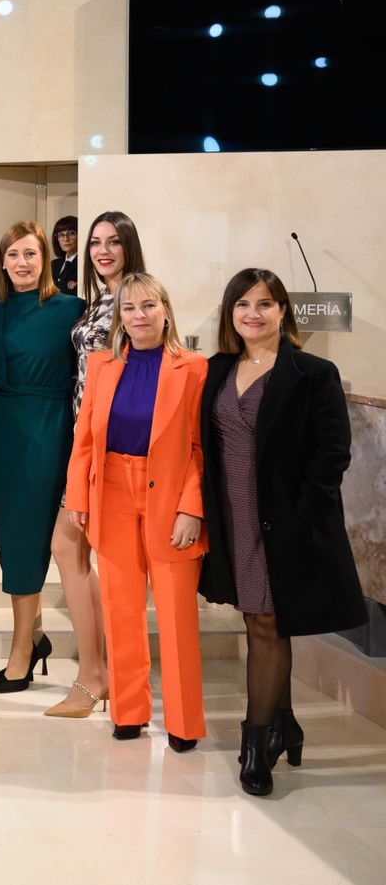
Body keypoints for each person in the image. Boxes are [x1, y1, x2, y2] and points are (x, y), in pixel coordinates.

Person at [199, 269, 367, 795]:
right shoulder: (216, 369)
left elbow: (332, 454)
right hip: (232, 516)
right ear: (230, 313)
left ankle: (256, 744)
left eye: (265, 304)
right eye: (242, 304)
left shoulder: (312, 373)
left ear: (282, 312)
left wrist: (302, 515)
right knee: (260, 620)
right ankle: (284, 723)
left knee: (267, 624)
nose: (253, 314)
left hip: (283, 523)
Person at [65, 273, 208, 753]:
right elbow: (85, 439)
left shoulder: (194, 368)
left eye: (148, 306)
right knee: (120, 609)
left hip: (170, 499)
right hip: (111, 494)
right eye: (129, 308)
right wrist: (78, 497)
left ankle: (184, 723)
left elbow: (200, 448)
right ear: (119, 318)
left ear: (165, 310)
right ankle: (128, 712)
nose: (139, 316)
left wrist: (192, 508)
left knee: (176, 614)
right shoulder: (102, 365)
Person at [0, 220, 83, 694]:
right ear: (2, 261)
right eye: (13, 254)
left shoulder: (72, 308)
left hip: (48, 433)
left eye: (30, 254)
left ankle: (21, 651)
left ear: (45, 260)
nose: (22, 262)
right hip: (0, 437)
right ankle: (33, 637)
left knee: (30, 542)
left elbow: (84, 382)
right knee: (11, 540)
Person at [46, 211, 147, 718]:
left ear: (129, 246)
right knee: (74, 550)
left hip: (111, 444)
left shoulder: (135, 298)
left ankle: (97, 677)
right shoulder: (98, 300)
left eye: (113, 241)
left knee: (72, 547)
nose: (102, 251)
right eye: (95, 243)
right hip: (82, 438)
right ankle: (99, 674)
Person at [51, 215, 80, 296]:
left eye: (71, 233)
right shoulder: (54, 264)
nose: (66, 239)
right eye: (61, 235)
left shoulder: (83, 263)